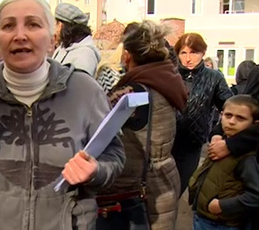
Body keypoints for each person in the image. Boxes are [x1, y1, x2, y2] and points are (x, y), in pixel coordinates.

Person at [0, 0, 125, 230]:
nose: (20, 35)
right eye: (8, 26)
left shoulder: (85, 90)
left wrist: (95, 171)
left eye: (33, 24)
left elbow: (114, 157)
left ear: (52, 39)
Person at [96, 20, 187, 230]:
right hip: (164, 180)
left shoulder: (132, 91)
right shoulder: (168, 81)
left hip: (137, 191)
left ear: (127, 54)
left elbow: (94, 124)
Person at [171, 33, 232, 197]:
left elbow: (230, 108)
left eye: (194, 52)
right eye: (183, 53)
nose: (188, 58)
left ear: (203, 53)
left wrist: (218, 132)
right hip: (167, 143)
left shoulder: (214, 77)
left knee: (177, 191)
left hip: (192, 144)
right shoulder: (171, 75)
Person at [189, 95, 259, 230]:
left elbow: (255, 195)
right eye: (228, 115)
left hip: (222, 224)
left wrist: (222, 206)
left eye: (240, 118)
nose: (232, 122)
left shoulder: (246, 158)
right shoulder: (219, 144)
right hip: (202, 216)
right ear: (221, 115)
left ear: (254, 124)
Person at [52, 3, 101, 76]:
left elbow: (80, 85)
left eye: (55, 24)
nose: (54, 29)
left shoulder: (85, 55)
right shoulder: (62, 48)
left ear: (61, 25)